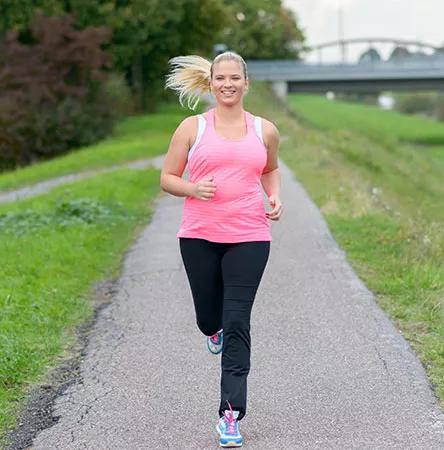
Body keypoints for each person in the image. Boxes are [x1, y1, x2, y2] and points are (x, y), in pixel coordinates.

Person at [160, 51, 282, 448]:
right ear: (210, 83)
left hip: (250, 235)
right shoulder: (192, 127)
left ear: (246, 83)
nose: (227, 84)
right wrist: (193, 189)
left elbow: (270, 169)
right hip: (199, 235)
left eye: (235, 78)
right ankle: (210, 329)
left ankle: (231, 414)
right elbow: (167, 177)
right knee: (208, 317)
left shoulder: (265, 130)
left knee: (238, 321)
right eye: (220, 78)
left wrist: (274, 196)